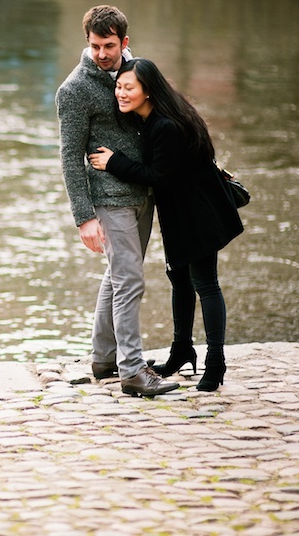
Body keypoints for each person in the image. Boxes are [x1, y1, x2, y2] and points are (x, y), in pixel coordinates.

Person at [89, 58, 244, 391]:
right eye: (118, 86)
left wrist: (115, 162)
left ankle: (216, 364)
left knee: (206, 283)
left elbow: (160, 177)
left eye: (129, 87)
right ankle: (181, 351)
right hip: (179, 212)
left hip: (200, 214)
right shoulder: (154, 118)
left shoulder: (166, 126)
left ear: (148, 90)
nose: (121, 93)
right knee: (179, 279)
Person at [56, 5, 179, 397]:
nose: (101, 53)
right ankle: (132, 370)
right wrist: (83, 217)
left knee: (117, 277)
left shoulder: (136, 73)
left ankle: (104, 358)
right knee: (129, 280)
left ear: (124, 42)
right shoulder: (74, 90)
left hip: (143, 191)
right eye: (94, 46)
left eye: (109, 45)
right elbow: (69, 156)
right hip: (110, 198)